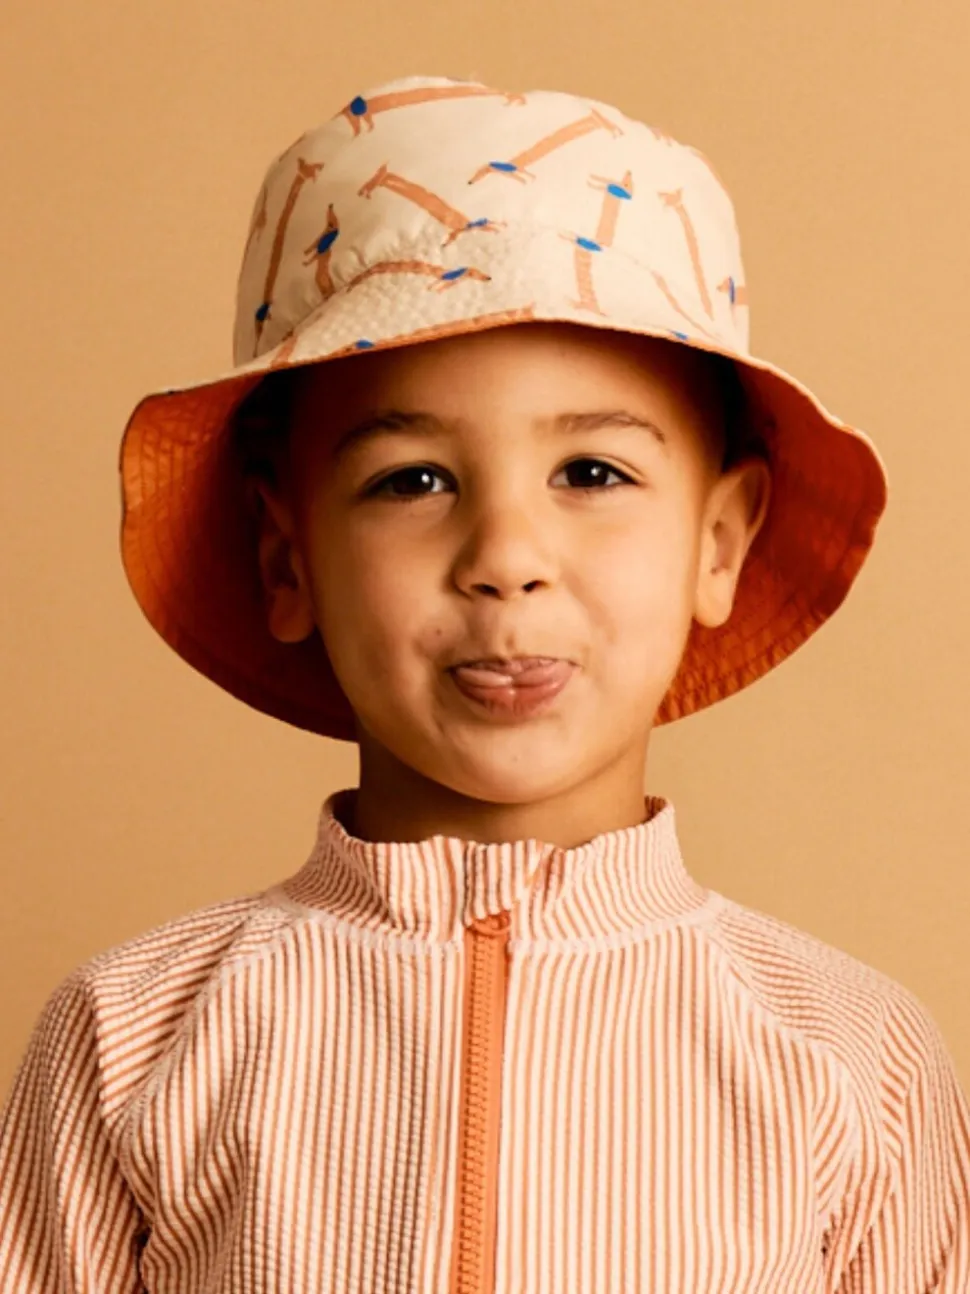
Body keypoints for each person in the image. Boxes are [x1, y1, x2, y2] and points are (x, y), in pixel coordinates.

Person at [1, 71, 967, 1292]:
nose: (506, 557)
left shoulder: (854, 1062)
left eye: (592, 472)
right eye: (411, 480)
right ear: (287, 558)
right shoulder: (130, 1040)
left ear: (718, 542)